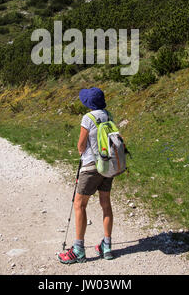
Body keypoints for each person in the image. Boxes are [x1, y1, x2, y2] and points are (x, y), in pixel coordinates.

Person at [58, 87, 114, 264]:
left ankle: (78, 250)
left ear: (88, 103)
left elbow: (81, 145)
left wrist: (81, 151)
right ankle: (107, 246)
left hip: (91, 167)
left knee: (79, 205)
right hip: (107, 166)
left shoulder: (87, 118)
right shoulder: (108, 115)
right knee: (106, 204)